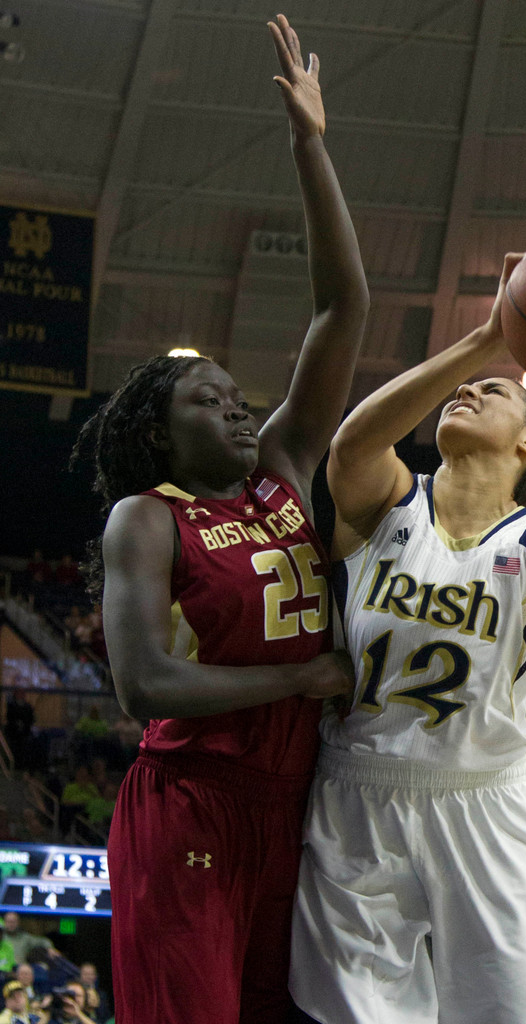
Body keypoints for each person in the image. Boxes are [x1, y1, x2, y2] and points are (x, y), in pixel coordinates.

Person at [289, 228, 526, 1024]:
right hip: (358, 795)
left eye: (494, 391)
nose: (468, 392)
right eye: (466, 388)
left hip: (486, 802)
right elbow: (352, 441)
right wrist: (487, 338)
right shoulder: (386, 504)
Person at [71, 14, 368, 1024]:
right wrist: (304, 675)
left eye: (238, 392)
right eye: (207, 398)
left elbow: (342, 309)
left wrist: (309, 145)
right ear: (158, 434)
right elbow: (139, 681)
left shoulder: (283, 467)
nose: (236, 404)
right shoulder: (145, 518)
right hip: (189, 804)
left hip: (290, 812)